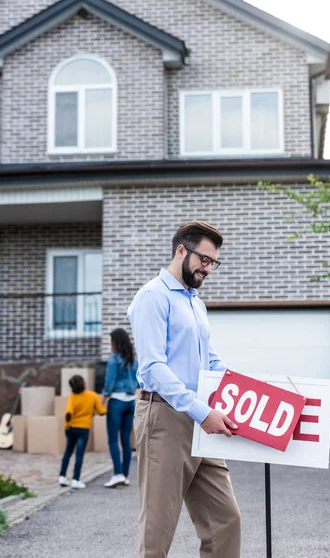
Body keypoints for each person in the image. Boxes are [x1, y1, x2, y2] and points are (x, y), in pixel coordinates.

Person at [127, 220, 241, 558]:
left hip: (201, 417)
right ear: (181, 250)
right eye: (204, 260)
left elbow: (211, 361)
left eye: (213, 263)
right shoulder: (153, 297)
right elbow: (153, 367)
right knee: (158, 529)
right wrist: (202, 411)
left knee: (226, 520)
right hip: (164, 416)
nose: (208, 269)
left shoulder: (195, 302)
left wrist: (249, 390)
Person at [102, 328, 138, 488]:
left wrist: (104, 397)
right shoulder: (133, 359)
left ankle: (117, 474)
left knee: (112, 439)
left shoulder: (114, 359)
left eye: (111, 341)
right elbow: (138, 381)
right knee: (126, 440)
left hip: (116, 400)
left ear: (116, 342)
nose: (110, 344)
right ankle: (125, 475)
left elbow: (110, 381)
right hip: (131, 401)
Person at [58, 374, 107, 490]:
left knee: (68, 452)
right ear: (84, 383)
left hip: (71, 428)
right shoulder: (92, 396)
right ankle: (75, 479)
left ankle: (62, 476)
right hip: (83, 429)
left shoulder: (73, 397)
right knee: (79, 454)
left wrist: (67, 426)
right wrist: (106, 407)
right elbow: (101, 412)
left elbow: (68, 413)